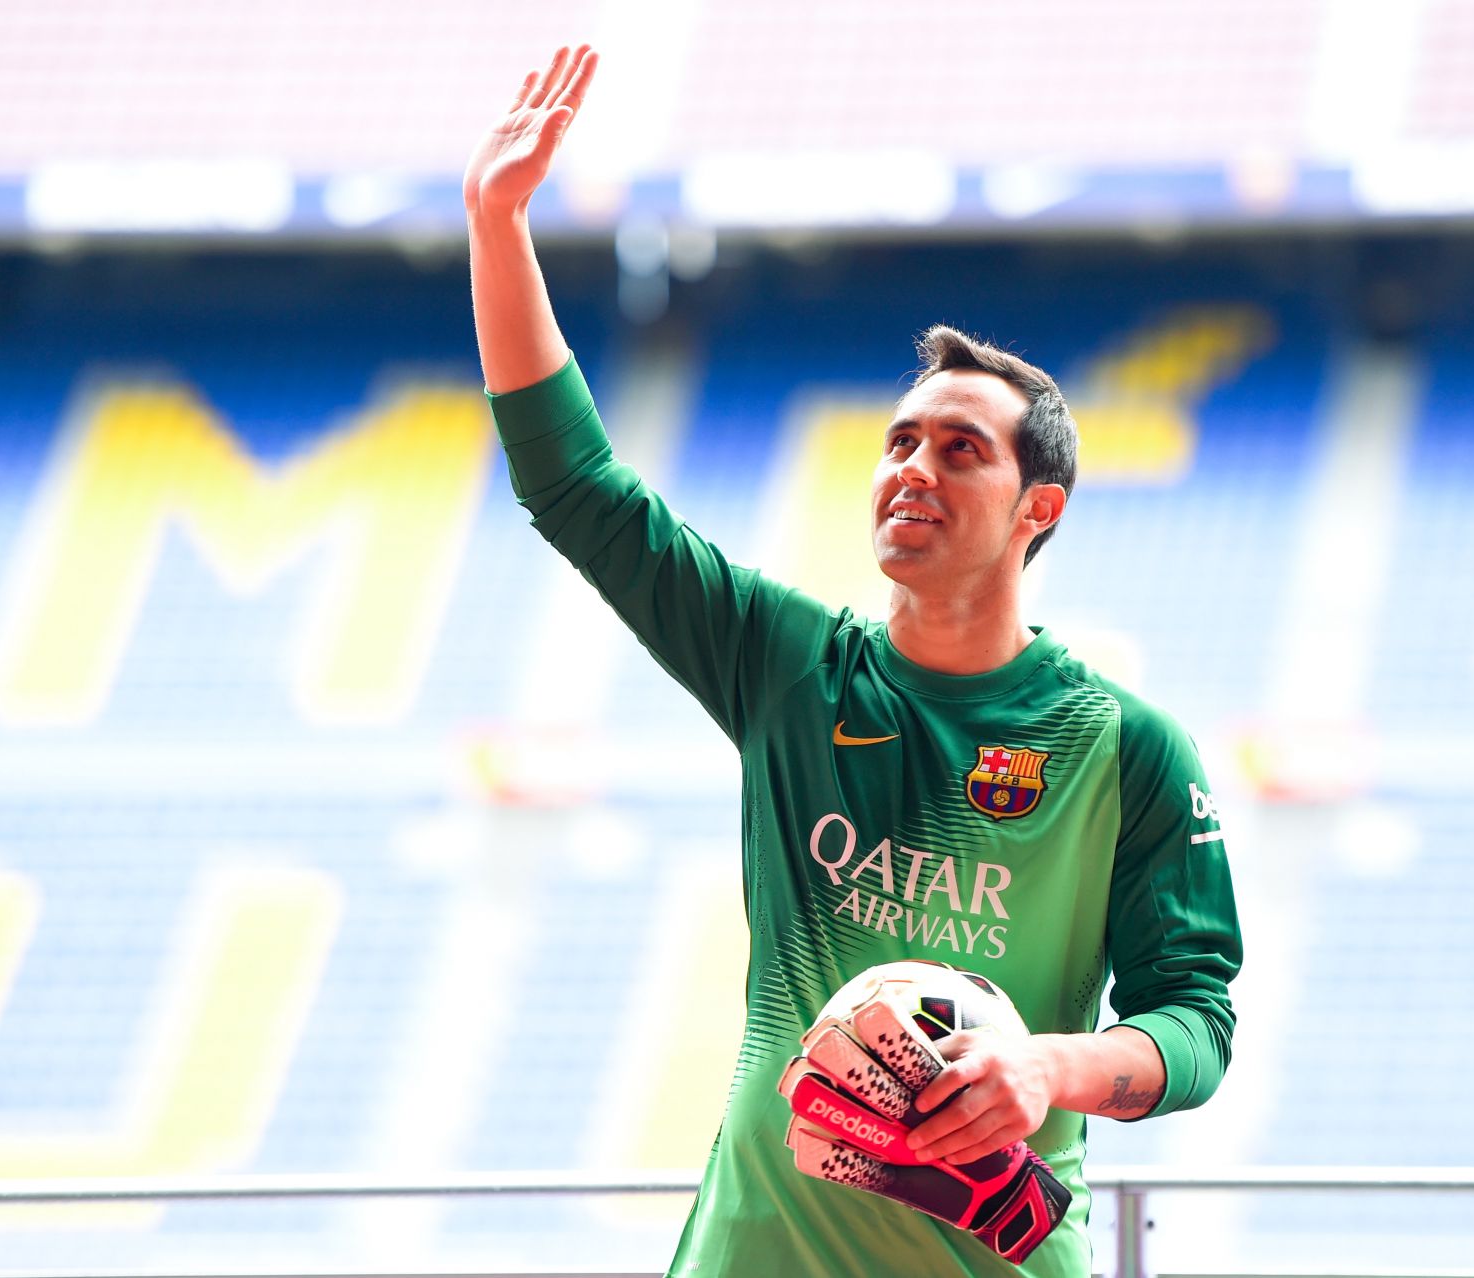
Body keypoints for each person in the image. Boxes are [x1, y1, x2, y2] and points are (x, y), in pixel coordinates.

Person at [464, 45, 1242, 1278]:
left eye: (960, 449)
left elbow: (1195, 1023)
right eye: (900, 441)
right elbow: (575, 488)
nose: (912, 469)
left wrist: (1049, 1064)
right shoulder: (788, 668)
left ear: (1039, 509)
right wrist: (499, 223)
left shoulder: (1125, 748)